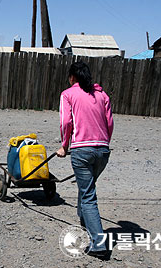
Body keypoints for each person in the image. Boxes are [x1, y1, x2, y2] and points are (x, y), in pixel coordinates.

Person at [56, 61, 114, 257]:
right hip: (103, 150)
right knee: (87, 185)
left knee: (88, 195)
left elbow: (66, 122)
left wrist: (64, 146)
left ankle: (99, 244)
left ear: (72, 77)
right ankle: (83, 218)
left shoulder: (68, 94)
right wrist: (103, 143)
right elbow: (109, 123)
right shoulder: (102, 95)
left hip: (82, 150)